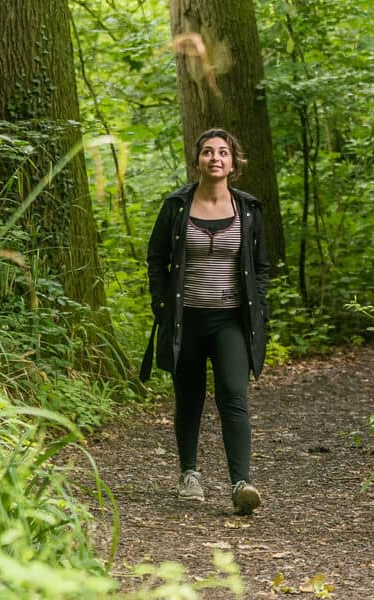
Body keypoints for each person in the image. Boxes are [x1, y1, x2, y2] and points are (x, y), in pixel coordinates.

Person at [139, 128, 272, 516]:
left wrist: (258, 305)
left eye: (223, 153)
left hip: (231, 320)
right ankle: (189, 474)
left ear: (234, 162)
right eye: (208, 152)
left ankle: (241, 483)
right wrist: (162, 304)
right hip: (187, 319)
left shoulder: (248, 210)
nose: (216, 158)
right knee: (190, 398)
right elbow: (156, 258)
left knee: (234, 395)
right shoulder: (177, 206)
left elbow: (261, 266)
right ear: (197, 160)